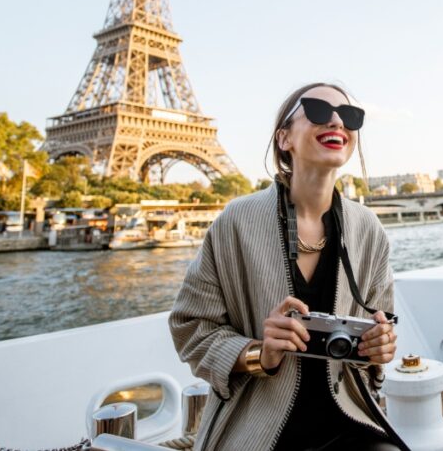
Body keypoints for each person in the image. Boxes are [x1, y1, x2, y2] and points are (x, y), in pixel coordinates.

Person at [169, 82, 401, 451]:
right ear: (284, 139)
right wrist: (260, 353)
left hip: (350, 418)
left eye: (350, 116)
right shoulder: (236, 220)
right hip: (255, 424)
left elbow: (379, 325)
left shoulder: (368, 228)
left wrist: (379, 347)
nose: (338, 122)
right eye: (319, 112)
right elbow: (191, 327)